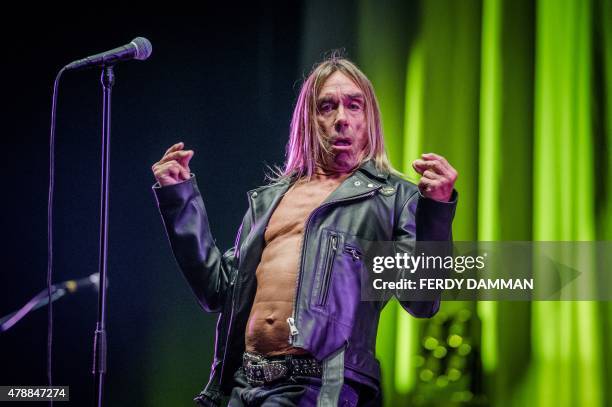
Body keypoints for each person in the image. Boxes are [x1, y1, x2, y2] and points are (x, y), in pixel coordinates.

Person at [152, 56, 458, 406]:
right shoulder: (270, 200)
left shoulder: (394, 198)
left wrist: (437, 208)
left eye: (354, 106)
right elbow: (217, 290)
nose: (341, 119)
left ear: (369, 118)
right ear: (308, 120)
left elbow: (422, 301)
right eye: (327, 106)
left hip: (319, 385)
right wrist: (180, 199)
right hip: (242, 383)